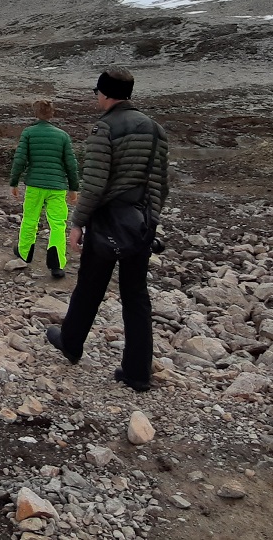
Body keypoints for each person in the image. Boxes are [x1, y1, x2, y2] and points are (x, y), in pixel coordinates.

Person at [45, 68, 169, 393]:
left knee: (89, 286)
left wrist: (78, 223)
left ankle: (71, 343)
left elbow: (95, 184)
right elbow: (159, 184)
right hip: (140, 224)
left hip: (107, 222)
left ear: (104, 93)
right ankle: (138, 372)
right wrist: (150, 221)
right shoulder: (155, 129)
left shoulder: (105, 128)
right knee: (136, 296)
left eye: (97, 92)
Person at [10, 99, 80, 279]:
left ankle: (24, 254)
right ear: (52, 114)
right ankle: (57, 265)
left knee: (30, 219)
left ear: (35, 113)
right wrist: (73, 188)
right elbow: (71, 164)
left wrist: (14, 182)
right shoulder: (63, 136)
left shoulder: (29, 133)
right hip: (57, 187)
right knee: (57, 224)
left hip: (34, 185)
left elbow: (20, 160)